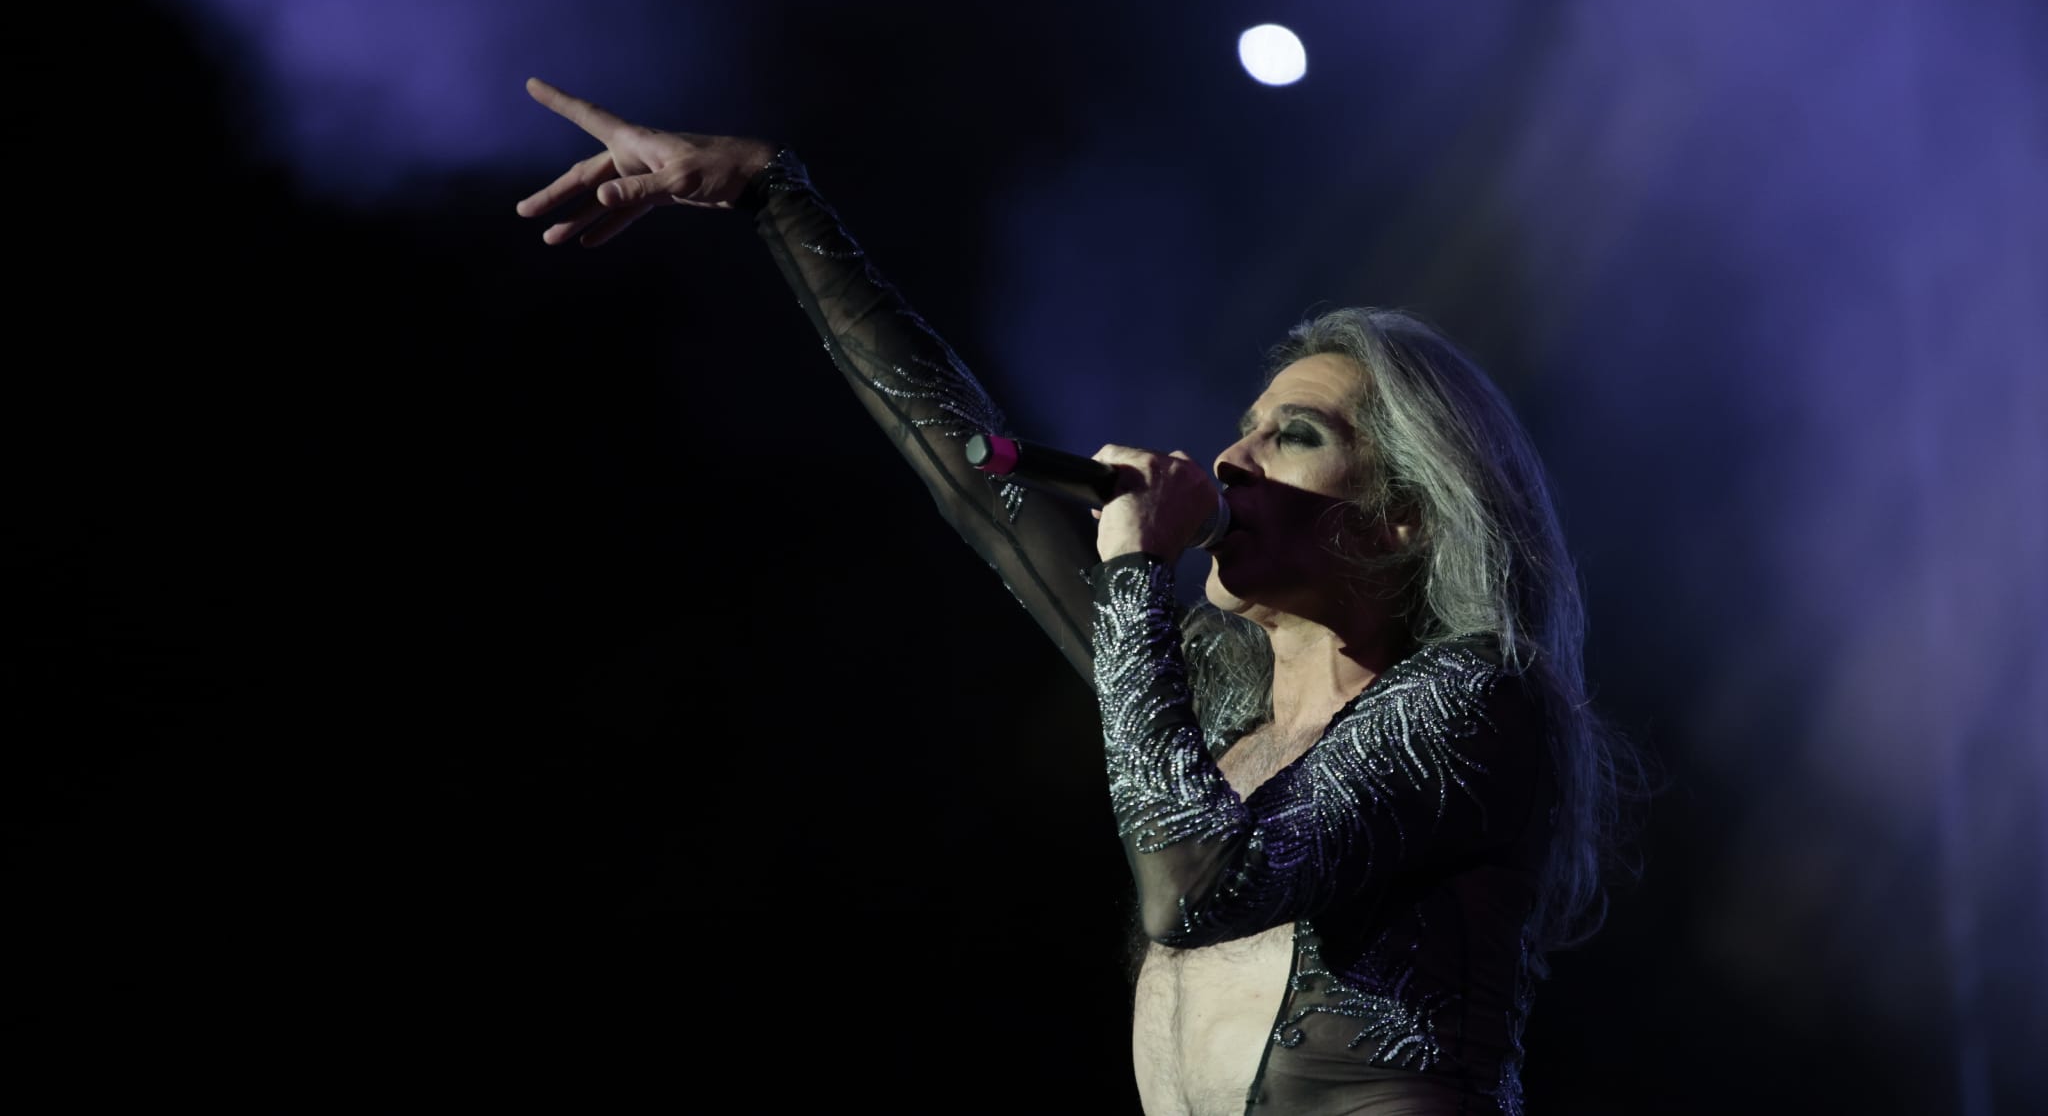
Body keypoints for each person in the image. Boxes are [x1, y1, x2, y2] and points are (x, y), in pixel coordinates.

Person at [515, 78, 1636, 1116]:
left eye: (1293, 438)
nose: (1230, 462)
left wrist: (1133, 574)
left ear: (1402, 514)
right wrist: (772, 192)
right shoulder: (1222, 688)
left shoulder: (1481, 694)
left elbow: (1196, 886)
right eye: (1241, 427)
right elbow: (973, 475)